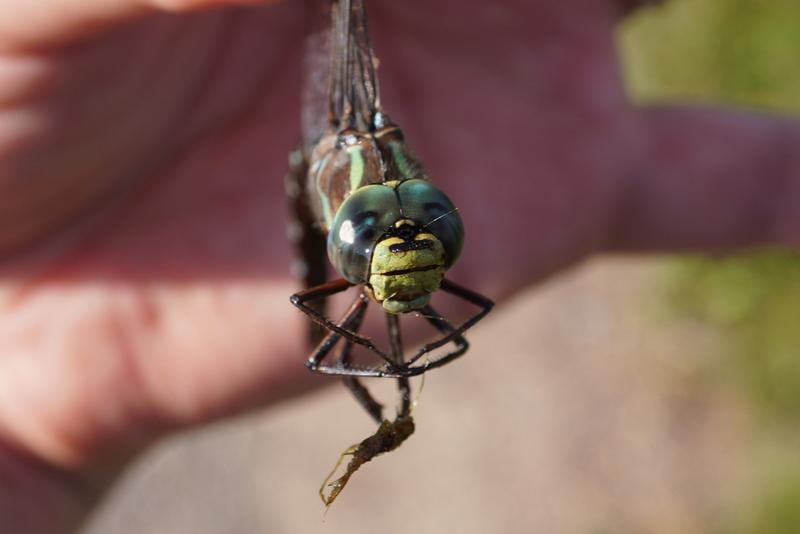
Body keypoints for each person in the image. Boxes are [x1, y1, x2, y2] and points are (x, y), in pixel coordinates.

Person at [0, 0, 797, 531]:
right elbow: (345, 322)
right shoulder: (360, 240)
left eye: (429, 235)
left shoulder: (390, 248)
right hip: (326, 177)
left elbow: (418, 320)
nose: (415, 255)